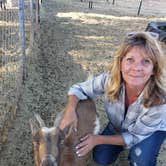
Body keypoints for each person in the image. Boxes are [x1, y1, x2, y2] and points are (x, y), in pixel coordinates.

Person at [59, 31, 166, 166]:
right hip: (119, 126)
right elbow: (78, 89)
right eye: (130, 60)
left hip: (150, 131)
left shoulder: (160, 101)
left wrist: (97, 139)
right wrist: (70, 111)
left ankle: (143, 150)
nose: (137, 68)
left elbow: (133, 137)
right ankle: (118, 142)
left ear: (154, 69)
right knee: (101, 158)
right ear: (120, 63)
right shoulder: (109, 80)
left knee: (141, 161)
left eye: (146, 61)